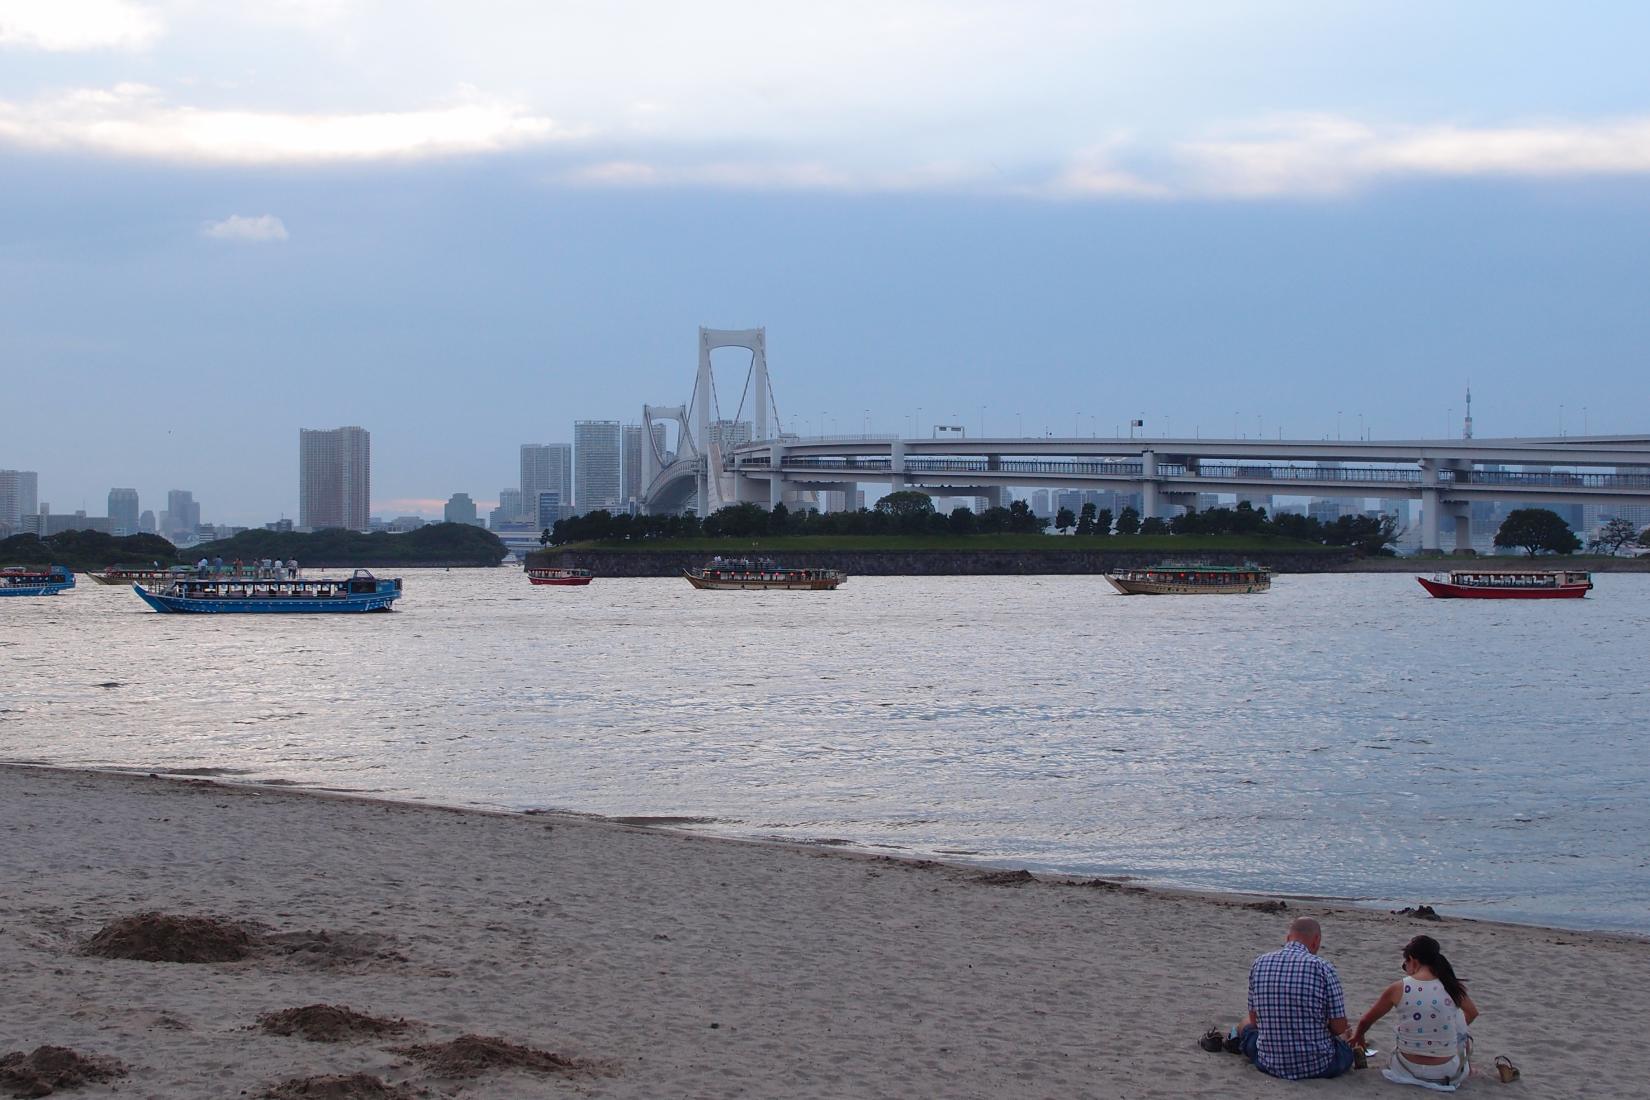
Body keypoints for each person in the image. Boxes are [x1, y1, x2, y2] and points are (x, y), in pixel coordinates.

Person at [1350, 935, 1478, 1090]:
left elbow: (1366, 1021)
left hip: (1405, 1068)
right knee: (1456, 1017)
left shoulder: (1399, 988)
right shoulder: (1452, 986)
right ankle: (1462, 1063)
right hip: (1446, 1072)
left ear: (1412, 960)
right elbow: (1472, 1013)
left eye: (1405, 965)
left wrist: (1358, 1036)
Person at [1236, 916, 1355, 1080]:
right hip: (1318, 1065)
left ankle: (1232, 1038)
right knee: (1345, 1038)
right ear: (1316, 941)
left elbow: (1255, 1021)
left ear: (1288, 938)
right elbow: (1339, 1026)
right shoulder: (1323, 968)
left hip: (1269, 1061)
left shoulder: (1259, 963)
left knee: (1245, 1024)